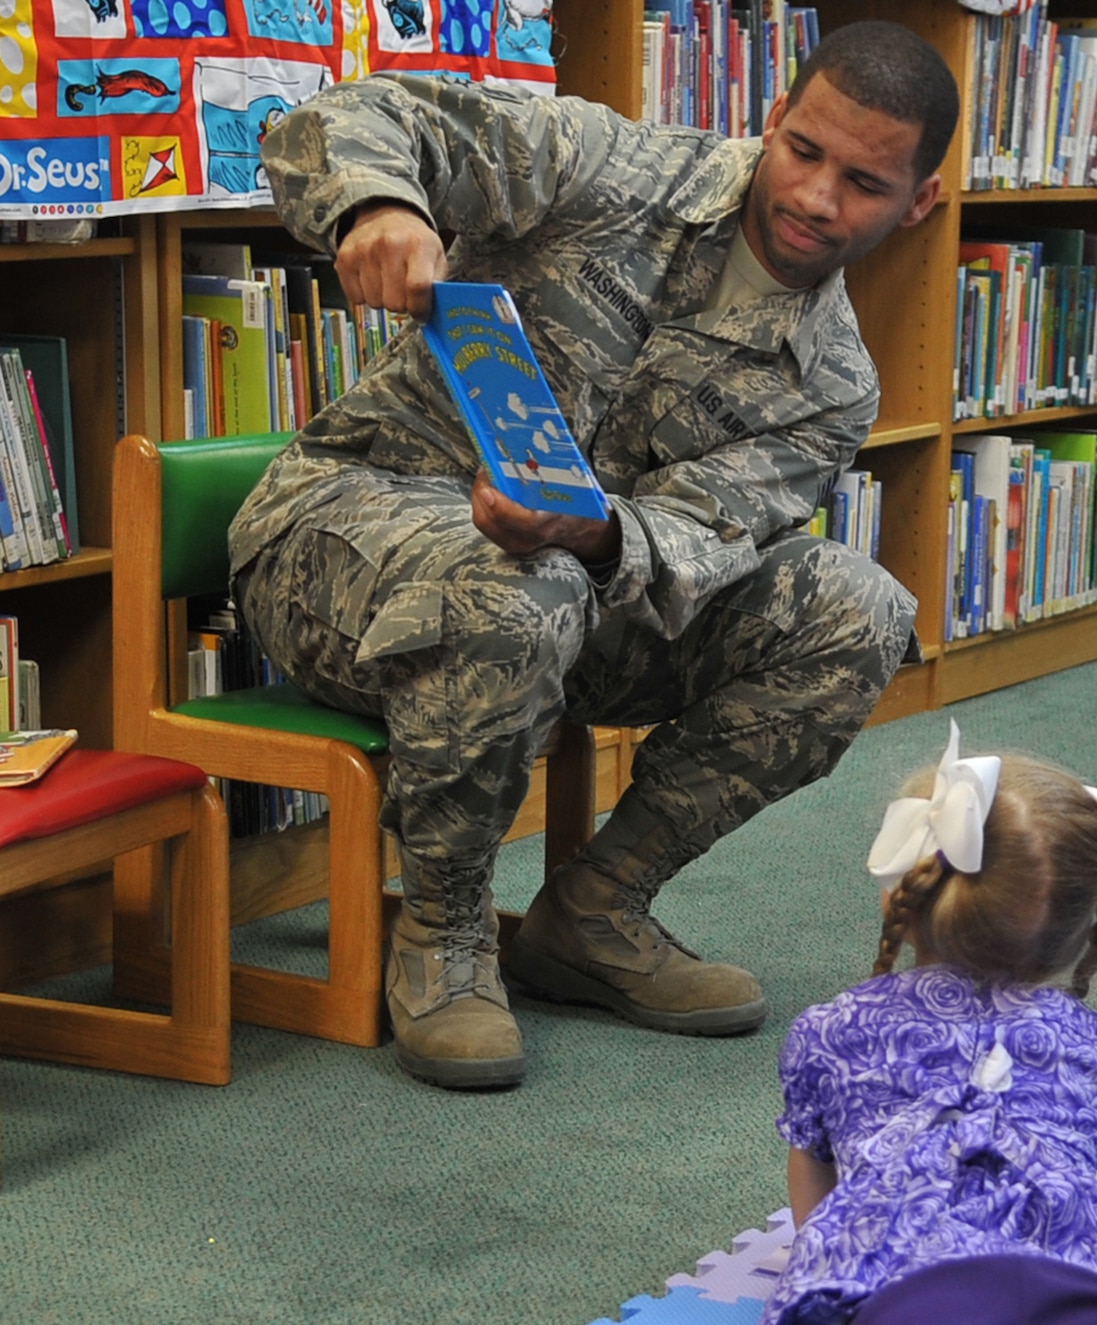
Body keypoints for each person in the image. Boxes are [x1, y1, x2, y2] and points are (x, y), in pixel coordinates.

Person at [233, 23, 957, 1089]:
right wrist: (376, 205)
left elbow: (700, 539)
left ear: (918, 201)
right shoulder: (608, 165)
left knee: (858, 609)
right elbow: (342, 116)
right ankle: (443, 930)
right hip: (343, 536)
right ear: (770, 122)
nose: (813, 197)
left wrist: (593, 531)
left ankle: (593, 911)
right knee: (518, 586)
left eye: (862, 182)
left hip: (580, 576)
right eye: (802, 151)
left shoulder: (834, 382)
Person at [762, 722, 1097, 1325]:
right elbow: (1075, 1166)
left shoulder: (831, 1029)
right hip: (1074, 1292)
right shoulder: (1094, 1044)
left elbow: (813, 1164)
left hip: (888, 1294)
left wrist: (818, 1263)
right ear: (1080, 926)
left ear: (903, 891)